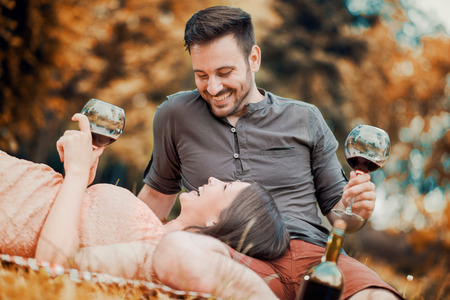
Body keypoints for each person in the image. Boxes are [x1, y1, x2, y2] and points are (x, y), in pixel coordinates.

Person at [138, 5, 403, 300]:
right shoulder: (175, 115)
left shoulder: (306, 118)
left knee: (378, 297)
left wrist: (358, 209)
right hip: (230, 258)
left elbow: (342, 217)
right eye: (201, 75)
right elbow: (155, 200)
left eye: (225, 72)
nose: (212, 87)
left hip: (313, 256)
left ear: (254, 59)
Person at [0, 113, 290, 299]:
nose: (213, 179)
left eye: (225, 187)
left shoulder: (153, 250)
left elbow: (55, 265)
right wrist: (78, 180)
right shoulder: (151, 229)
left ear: (219, 221)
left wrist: (75, 177)